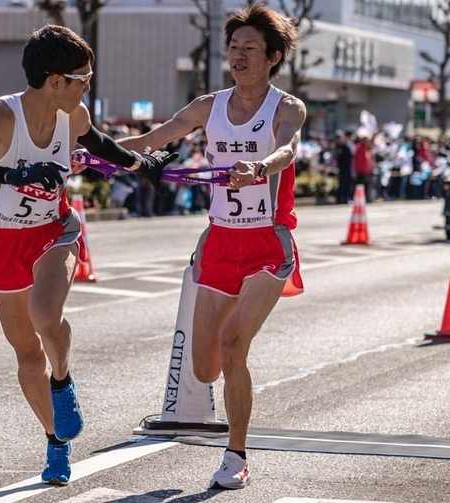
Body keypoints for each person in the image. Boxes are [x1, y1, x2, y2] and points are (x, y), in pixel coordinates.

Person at [0, 25, 177, 485]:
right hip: (4, 240)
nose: (87, 85)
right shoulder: (3, 117)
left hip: (55, 231)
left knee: (45, 315)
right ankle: (55, 441)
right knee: (27, 354)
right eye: (82, 78)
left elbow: (102, 145)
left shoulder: (75, 114)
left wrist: (143, 164)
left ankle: (63, 379)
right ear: (55, 80)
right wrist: (18, 173)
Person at [119, 4, 304, 490]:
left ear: (273, 57)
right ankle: (232, 400)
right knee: (205, 367)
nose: (238, 57)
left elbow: (285, 150)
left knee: (233, 346)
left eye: (250, 49)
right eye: (233, 48)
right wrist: (91, 150)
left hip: (268, 242)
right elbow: (154, 139)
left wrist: (259, 168)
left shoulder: (287, 108)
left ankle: (236, 453)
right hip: (219, 241)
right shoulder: (209, 106)